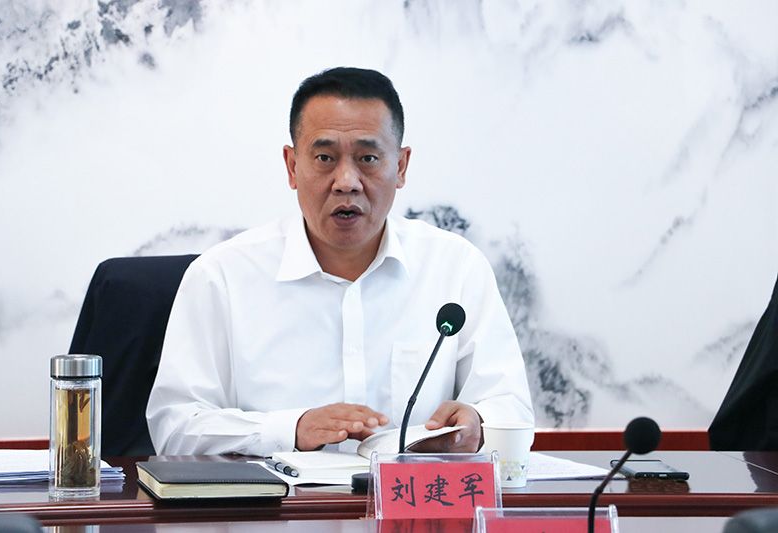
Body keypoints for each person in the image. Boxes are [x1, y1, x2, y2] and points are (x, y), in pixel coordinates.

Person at [146, 67, 533, 457]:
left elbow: (510, 406)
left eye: (368, 158)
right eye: (325, 157)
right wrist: (290, 429)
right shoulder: (221, 276)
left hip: (410, 495)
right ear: (292, 166)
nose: (346, 181)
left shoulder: (456, 267)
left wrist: (478, 424)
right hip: (275, 498)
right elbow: (175, 426)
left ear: (400, 167)